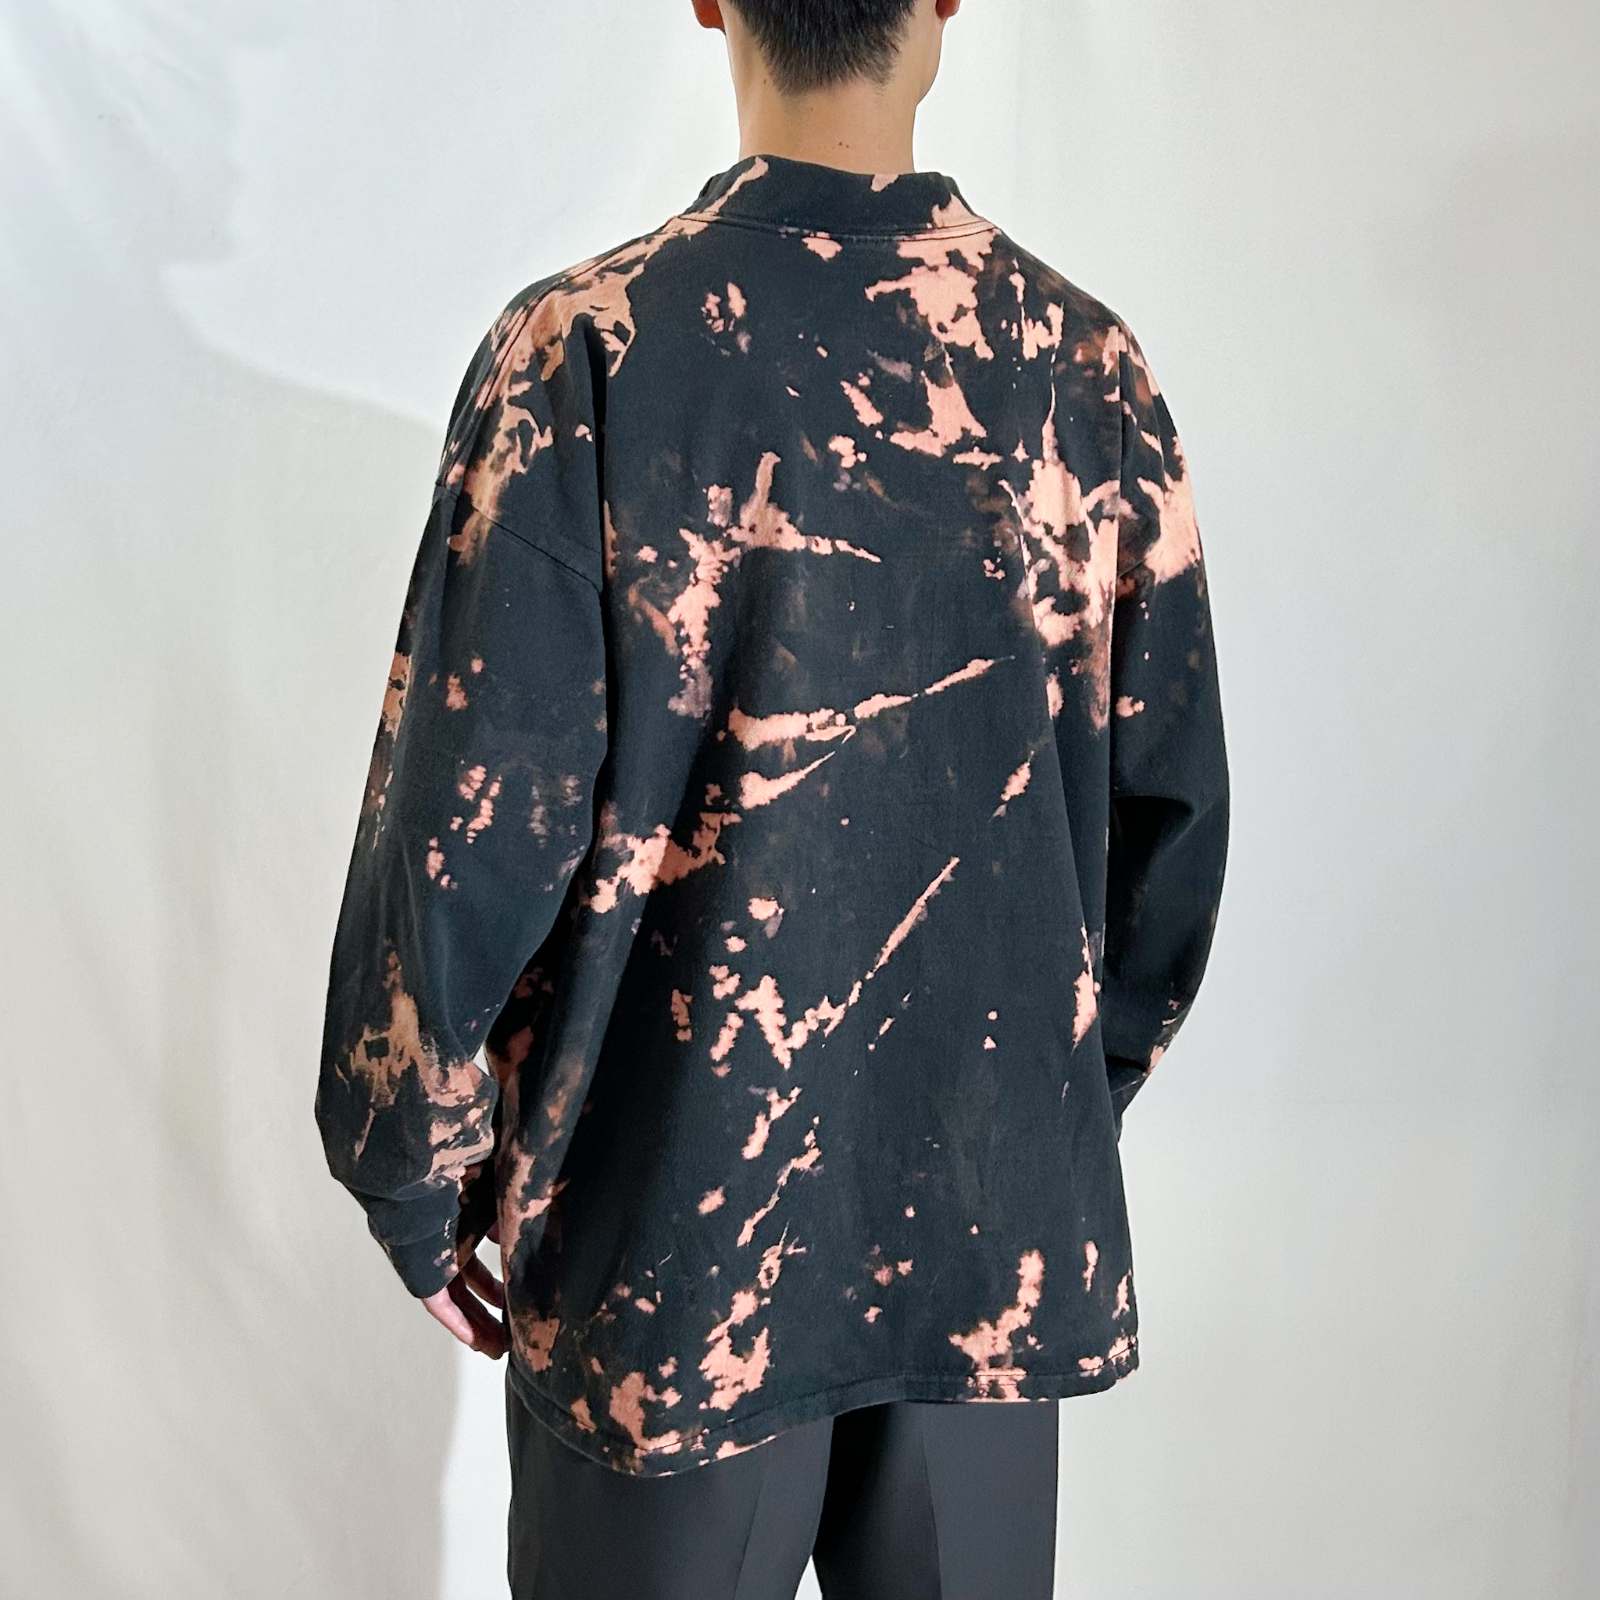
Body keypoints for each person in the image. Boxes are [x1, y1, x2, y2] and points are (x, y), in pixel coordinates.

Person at [315, 0, 1231, 1594]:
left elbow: (469, 831)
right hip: (983, 1246)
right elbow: (1172, 824)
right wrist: (1032, 1110)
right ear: (947, 0)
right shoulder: (1080, 371)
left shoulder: (587, 353)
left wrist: (415, 1166)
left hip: (667, 1249)